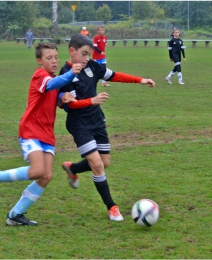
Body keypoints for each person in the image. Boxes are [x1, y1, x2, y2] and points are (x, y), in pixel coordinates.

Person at [0, 42, 105, 226]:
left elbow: (60, 100)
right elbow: (51, 84)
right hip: (31, 130)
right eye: (49, 58)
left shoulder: (55, 80)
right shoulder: (41, 76)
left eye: (55, 57)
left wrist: (64, 99)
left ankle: (15, 214)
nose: (54, 61)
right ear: (39, 61)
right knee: (38, 170)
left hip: (47, 134)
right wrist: (71, 74)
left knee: (45, 176)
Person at [58, 34, 155, 222]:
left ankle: (72, 168)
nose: (87, 58)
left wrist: (140, 80)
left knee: (105, 162)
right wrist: (92, 101)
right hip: (79, 125)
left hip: (97, 121)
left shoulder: (93, 66)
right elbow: (70, 106)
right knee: (97, 165)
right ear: (72, 51)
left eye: (89, 54)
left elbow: (114, 75)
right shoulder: (66, 75)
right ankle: (112, 207)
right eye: (84, 54)